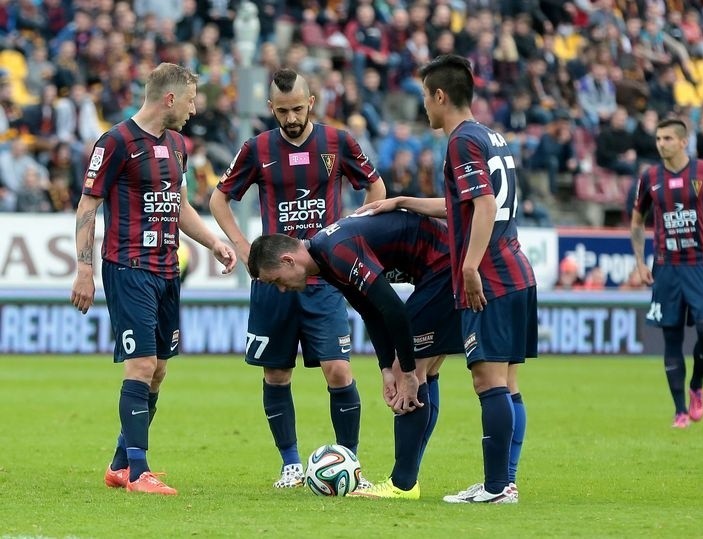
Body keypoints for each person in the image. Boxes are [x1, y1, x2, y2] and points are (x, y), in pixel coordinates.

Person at [359, 54, 537, 504]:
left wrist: (471, 265)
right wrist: (402, 200)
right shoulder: (490, 135)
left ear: (440, 96)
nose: (424, 108)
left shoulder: (461, 141)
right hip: (517, 269)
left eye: (424, 98)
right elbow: (461, 204)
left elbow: (484, 207)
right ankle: (505, 480)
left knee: (487, 381)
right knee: (508, 383)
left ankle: (497, 488)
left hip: (492, 276)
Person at [208, 68, 386, 489]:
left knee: (338, 371)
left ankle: (349, 462)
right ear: (271, 108)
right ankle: (290, 463)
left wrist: (351, 232)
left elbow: (376, 189)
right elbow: (219, 199)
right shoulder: (257, 148)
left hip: (324, 278)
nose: (290, 118)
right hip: (273, 280)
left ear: (312, 102)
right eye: (282, 110)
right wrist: (245, 246)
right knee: (276, 374)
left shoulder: (338, 142)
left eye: (297, 108)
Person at [70, 63, 237, 495]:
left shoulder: (179, 145)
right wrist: (84, 268)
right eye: (190, 100)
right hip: (128, 267)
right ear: (169, 99)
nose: (194, 109)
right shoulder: (115, 142)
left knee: (159, 370)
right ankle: (140, 473)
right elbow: (87, 206)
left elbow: (178, 207)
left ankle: (120, 464)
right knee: (141, 365)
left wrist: (213, 242)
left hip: (167, 270)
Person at [248, 209, 464, 500]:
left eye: (276, 281)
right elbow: (369, 310)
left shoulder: (336, 252)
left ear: (288, 260)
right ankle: (406, 481)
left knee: (412, 373)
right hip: (444, 265)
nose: (282, 290)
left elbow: (393, 308)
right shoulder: (324, 258)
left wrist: (407, 372)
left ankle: (402, 485)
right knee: (424, 370)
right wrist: (387, 367)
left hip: (445, 265)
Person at [630, 118, 703, 429]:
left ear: (684, 142)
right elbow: (636, 222)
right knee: (671, 339)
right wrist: (641, 263)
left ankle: (697, 384)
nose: (661, 143)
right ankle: (680, 410)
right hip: (667, 268)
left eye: (667, 138)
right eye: (658, 138)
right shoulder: (650, 177)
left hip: (702, 265)